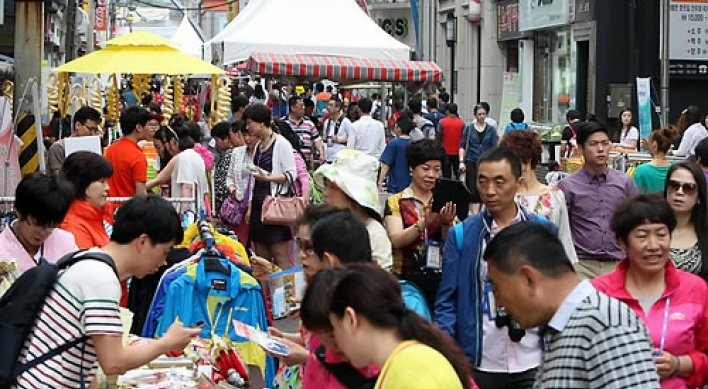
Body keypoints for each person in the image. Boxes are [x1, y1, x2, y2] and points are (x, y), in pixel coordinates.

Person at [13, 195, 201, 388]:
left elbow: (87, 358)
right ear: (142, 242)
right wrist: (166, 343)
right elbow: (113, 363)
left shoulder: (87, 259)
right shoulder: (102, 280)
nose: (164, 263)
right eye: (164, 251)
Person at [483, 222, 661, 389]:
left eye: (497, 289)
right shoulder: (561, 329)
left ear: (528, 278)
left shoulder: (605, 324)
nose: (499, 303)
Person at [435, 147, 557, 389]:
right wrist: (449, 353)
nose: (490, 191)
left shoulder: (543, 231)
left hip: (534, 359)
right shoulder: (461, 235)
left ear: (518, 183)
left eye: (499, 182)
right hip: (480, 360)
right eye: (482, 182)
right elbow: (447, 300)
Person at [592, 194, 708, 389]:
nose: (654, 246)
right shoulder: (598, 293)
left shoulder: (695, 289)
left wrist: (678, 364)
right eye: (642, 236)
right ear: (622, 242)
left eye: (661, 234)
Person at [326, 263, 473, 389]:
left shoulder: (413, 370)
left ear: (351, 319)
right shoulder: (407, 361)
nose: (336, 343)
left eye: (335, 328)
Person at [559, 122, 639, 279]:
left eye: (605, 143)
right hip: (581, 265)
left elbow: (636, 220)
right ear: (580, 149)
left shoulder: (624, 182)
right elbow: (562, 226)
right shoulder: (567, 186)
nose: (601, 149)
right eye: (594, 144)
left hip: (618, 263)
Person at [384, 139, 456, 311]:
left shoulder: (444, 201)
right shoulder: (396, 201)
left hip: (439, 278)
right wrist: (425, 222)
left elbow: (450, 242)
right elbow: (396, 239)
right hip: (405, 278)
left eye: (437, 169)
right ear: (411, 168)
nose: (431, 175)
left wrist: (446, 223)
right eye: (425, 168)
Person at [500, 130, 577, 263]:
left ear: (529, 159)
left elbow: (565, 241)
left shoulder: (555, 196)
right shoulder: (502, 196)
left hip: (547, 269)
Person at [314, 149, 393, 271]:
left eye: (332, 188)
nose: (326, 193)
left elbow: (382, 278)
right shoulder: (327, 224)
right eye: (325, 186)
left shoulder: (373, 232)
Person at [244, 103, 296, 270]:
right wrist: (251, 205)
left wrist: (268, 178)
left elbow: (291, 174)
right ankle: (266, 295)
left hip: (274, 208)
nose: (247, 127)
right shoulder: (259, 145)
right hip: (260, 207)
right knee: (261, 259)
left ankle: (287, 295)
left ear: (261, 123)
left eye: (250, 122)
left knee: (280, 257)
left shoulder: (281, 144)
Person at [0, 173, 76, 274]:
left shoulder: (65, 242)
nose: (43, 232)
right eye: (37, 224)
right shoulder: (2, 249)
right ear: (19, 211)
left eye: (51, 226)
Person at [146, 126, 208, 213]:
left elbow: (187, 187)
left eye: (158, 147)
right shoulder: (196, 156)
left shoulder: (184, 157)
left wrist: (183, 214)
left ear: (172, 141)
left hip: (188, 213)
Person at [59, 151, 113, 250]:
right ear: (83, 183)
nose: (107, 187)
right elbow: (87, 262)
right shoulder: (73, 227)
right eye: (102, 181)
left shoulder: (96, 215)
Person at [664, 161, 708, 279]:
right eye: (674, 185)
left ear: (699, 196)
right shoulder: (649, 226)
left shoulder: (704, 232)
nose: (679, 192)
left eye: (689, 188)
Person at [105, 106, 149, 199]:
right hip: (129, 209)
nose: (149, 129)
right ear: (139, 127)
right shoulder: (137, 156)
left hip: (109, 208)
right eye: (147, 125)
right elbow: (141, 194)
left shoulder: (110, 150)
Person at [459, 104, 498, 205]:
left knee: (484, 185)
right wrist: (461, 161)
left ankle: (482, 209)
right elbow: (462, 145)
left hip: (486, 161)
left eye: (484, 114)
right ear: (475, 115)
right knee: (472, 187)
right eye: (479, 114)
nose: (482, 116)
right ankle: (473, 211)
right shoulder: (469, 129)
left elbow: (494, 147)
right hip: (471, 160)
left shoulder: (491, 130)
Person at [47, 106, 102, 176]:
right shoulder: (59, 147)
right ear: (78, 125)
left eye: (95, 130)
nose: (92, 133)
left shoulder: (93, 148)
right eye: (90, 129)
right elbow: (59, 178)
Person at [224, 120, 252, 244]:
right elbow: (229, 176)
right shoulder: (237, 153)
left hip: (256, 205)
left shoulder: (262, 153)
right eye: (244, 135)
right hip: (239, 205)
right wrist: (231, 188)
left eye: (250, 135)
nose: (247, 138)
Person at [634, 126, 677, 192]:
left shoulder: (641, 170)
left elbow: (636, 197)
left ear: (654, 145)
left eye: (649, 142)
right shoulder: (677, 168)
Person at [285, 96, 325, 169]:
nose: (304, 108)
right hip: (289, 164)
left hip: (306, 163)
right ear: (292, 108)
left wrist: (321, 153)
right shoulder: (283, 123)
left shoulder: (309, 123)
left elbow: (317, 140)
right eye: (301, 106)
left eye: (304, 105)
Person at [379, 116, 414, 193]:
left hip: (395, 185)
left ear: (399, 129)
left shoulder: (393, 144)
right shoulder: (414, 144)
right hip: (410, 185)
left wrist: (380, 182)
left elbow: (386, 165)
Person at [211, 121, 235, 210]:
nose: (216, 144)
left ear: (226, 139)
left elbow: (223, 181)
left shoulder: (229, 155)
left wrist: (218, 200)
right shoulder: (225, 154)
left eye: (217, 140)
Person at [438, 103, 465, 180]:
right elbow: (464, 138)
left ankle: (448, 189)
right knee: (458, 173)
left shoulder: (442, 122)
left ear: (447, 111)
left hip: (445, 151)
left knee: (446, 173)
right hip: (458, 152)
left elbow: (439, 137)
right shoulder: (462, 123)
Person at [322, 97, 352, 164]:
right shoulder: (327, 122)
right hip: (328, 158)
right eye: (328, 105)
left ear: (337, 108)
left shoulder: (346, 122)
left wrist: (339, 140)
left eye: (331, 105)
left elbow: (352, 139)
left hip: (341, 158)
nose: (328, 107)